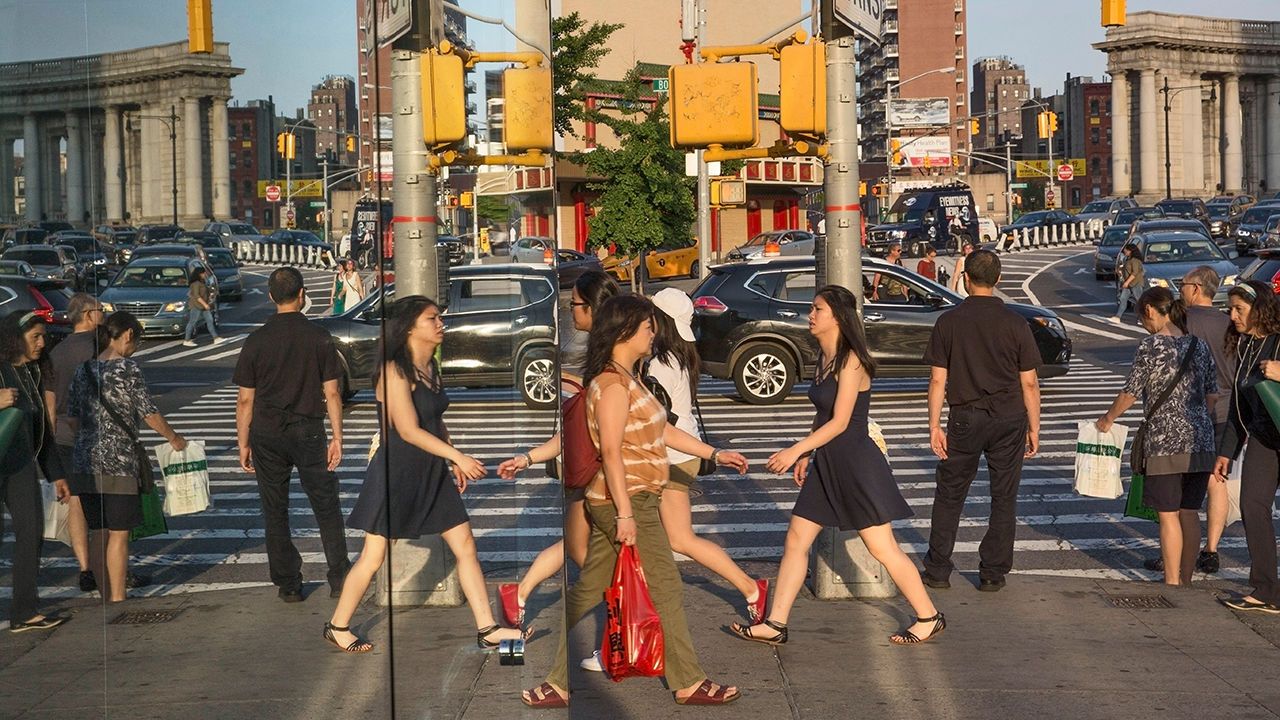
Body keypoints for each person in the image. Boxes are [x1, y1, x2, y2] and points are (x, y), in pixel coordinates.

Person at [521, 295, 748, 709]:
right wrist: (625, 514)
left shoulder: (630, 378)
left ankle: (557, 683)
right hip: (627, 502)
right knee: (665, 586)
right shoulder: (611, 385)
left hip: (626, 500)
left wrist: (714, 453)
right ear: (625, 332)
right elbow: (610, 452)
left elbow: (661, 430)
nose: (653, 333)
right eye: (646, 327)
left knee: (590, 590)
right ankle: (688, 681)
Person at [730, 285, 943, 647]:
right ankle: (775, 623)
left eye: (818, 309)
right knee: (796, 539)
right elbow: (824, 414)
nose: (810, 315)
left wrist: (796, 450)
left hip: (856, 464)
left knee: (882, 548)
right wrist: (808, 454)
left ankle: (929, 617)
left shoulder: (851, 360)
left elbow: (842, 421)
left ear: (838, 318)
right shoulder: (824, 358)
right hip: (828, 462)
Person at [325, 297, 525, 653]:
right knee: (374, 556)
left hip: (432, 469)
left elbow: (434, 421)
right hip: (397, 472)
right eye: (432, 318)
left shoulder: (430, 366)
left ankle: (488, 628)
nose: (440, 324)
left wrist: (451, 460)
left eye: (439, 318)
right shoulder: (394, 371)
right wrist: (457, 457)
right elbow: (407, 429)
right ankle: (338, 626)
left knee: (466, 545)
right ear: (409, 328)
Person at [496, 271, 619, 633]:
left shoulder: (600, 356)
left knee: (579, 545)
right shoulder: (588, 357)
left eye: (575, 304)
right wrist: (529, 457)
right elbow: (575, 428)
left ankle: (520, 595)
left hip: (596, 468)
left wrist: (529, 457)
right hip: (597, 470)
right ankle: (617, 618)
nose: (570, 311)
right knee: (589, 551)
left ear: (593, 308)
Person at [647, 288, 768, 625]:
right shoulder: (680, 356)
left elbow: (659, 421)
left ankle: (750, 587)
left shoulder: (660, 363)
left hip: (672, 455)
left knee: (679, 538)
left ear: (660, 321)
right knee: (666, 537)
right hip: (682, 451)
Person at [923, 249, 1041, 592]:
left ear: (965, 279)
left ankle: (938, 569)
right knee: (1003, 496)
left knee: (950, 493)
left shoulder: (949, 321)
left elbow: (938, 379)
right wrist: (1034, 427)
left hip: (965, 417)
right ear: (998, 280)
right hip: (1009, 418)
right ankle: (992, 572)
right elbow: (1029, 382)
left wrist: (934, 425)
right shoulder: (1016, 323)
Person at [234, 267, 351, 602]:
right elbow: (332, 392)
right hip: (308, 430)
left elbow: (245, 400)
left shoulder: (256, 341)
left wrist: (243, 443)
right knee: (325, 504)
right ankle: (339, 578)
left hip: (266, 432)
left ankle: (288, 584)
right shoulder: (319, 337)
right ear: (302, 295)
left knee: (275, 509)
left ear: (271, 296)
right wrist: (337, 437)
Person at [1097, 288, 1216, 586]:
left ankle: (1172, 582)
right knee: (1189, 512)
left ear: (1150, 311)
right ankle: (1186, 580)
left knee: (1168, 515)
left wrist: (1108, 419)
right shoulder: (1200, 345)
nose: (1143, 325)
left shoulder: (1150, 347)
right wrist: (1196, 418)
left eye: (1141, 318)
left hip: (1164, 443)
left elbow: (1131, 392)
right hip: (1201, 441)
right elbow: (1212, 395)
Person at [69, 312, 187, 602]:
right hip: (120, 463)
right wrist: (173, 438)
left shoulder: (82, 371)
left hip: (85, 463)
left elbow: (72, 419)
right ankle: (118, 598)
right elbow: (148, 412)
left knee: (99, 532)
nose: (135, 348)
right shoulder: (128, 369)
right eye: (138, 342)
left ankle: (105, 595)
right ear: (128, 335)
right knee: (119, 534)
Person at [1142, 266, 1231, 575]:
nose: (1180, 289)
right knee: (1215, 480)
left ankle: (1172, 560)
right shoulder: (1229, 322)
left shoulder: (1182, 322)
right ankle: (1211, 549)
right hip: (1225, 412)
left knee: (1173, 501)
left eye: (1183, 284)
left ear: (1196, 288)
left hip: (1185, 417)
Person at [0, 310, 70, 632]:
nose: (42, 343)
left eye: (44, 337)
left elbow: (42, 429)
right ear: (15, 338)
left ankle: (24, 611)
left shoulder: (32, 373)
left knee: (31, 533)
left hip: (20, 466)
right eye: (35, 337)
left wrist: (56, 474)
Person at [1215, 281, 1280, 612]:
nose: (1233, 315)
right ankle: (1266, 589)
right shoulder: (1245, 346)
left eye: (1239, 309)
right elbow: (1238, 406)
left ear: (1260, 310)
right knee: (1252, 505)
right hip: (1264, 438)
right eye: (1231, 309)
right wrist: (1226, 451)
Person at [46, 293, 106, 593]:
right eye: (101, 309)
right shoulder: (99, 346)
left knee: (77, 501)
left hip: (63, 436)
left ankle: (85, 569)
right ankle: (110, 566)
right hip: (96, 434)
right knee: (107, 502)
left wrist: (49, 437)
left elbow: (49, 399)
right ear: (88, 314)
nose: (104, 314)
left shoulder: (56, 352)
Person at [181, 267, 222, 347]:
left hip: (203, 306)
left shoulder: (202, 282)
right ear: (199, 274)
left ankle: (216, 338)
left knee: (209, 320)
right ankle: (187, 340)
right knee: (192, 322)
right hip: (196, 305)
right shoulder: (196, 283)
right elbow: (196, 296)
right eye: (203, 273)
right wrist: (205, 304)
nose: (205, 274)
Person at [1110, 244, 1144, 324]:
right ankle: (1117, 317)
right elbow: (1127, 269)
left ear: (1130, 251)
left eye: (1126, 250)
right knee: (1123, 299)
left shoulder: (1135, 260)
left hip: (1136, 283)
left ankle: (1143, 318)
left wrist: (1126, 282)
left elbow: (1135, 273)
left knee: (1139, 301)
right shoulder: (1128, 259)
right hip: (1128, 284)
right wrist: (1120, 270)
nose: (1124, 251)